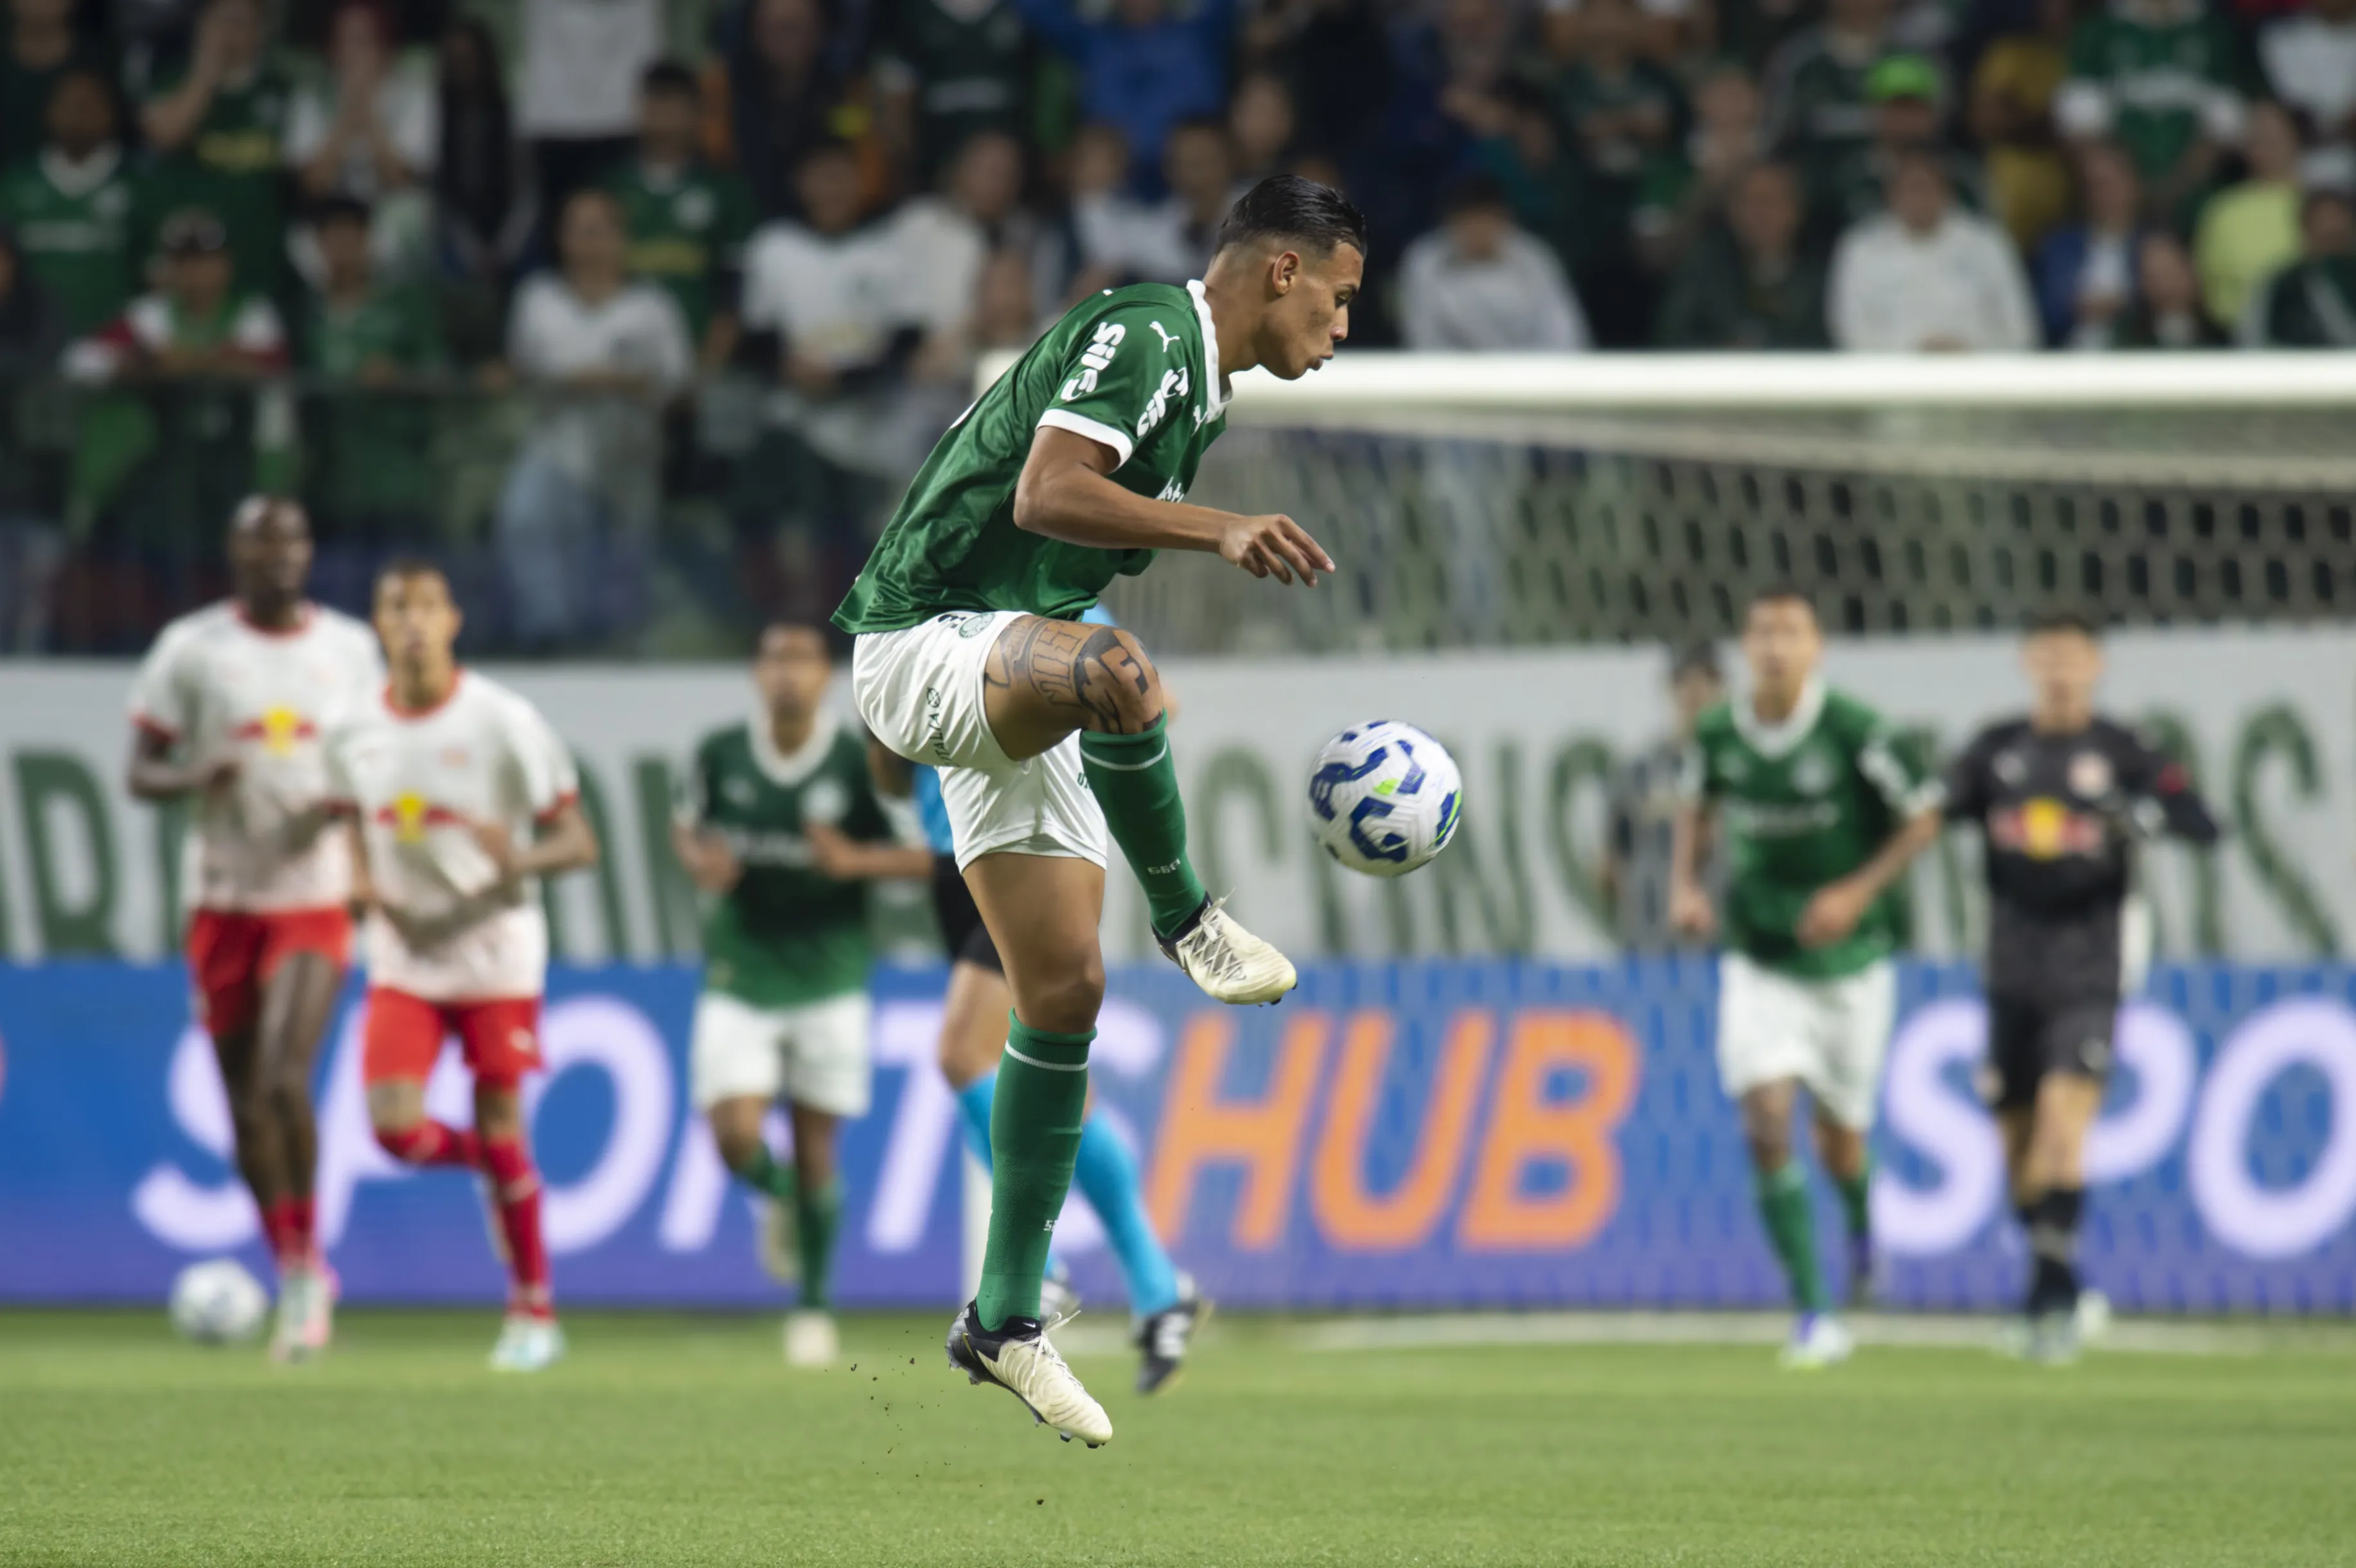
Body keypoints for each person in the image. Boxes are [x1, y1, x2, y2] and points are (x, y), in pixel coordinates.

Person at [834, 174, 1364, 1445]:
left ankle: (1003, 1318)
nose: (1342, 328)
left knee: (1063, 993)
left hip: (1005, 648)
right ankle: (1189, 917)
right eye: (1340, 298)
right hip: (924, 638)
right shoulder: (1149, 332)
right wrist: (1218, 530)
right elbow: (1044, 494)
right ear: (1281, 271)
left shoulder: (1202, 389)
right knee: (1122, 671)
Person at [869, 604, 1210, 1396]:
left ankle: (1038, 1270)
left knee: (962, 1054)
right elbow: (889, 771)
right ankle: (1159, 1287)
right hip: (954, 858)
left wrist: (1066, 757)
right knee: (1048, 1087)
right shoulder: (918, 610)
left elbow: (1151, 701)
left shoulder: (1058, 602)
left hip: (1033, 844)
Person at [123, 496, 383, 1362]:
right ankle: (293, 1257)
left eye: (292, 541)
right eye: (260, 542)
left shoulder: (349, 649)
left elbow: (380, 760)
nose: (278, 556)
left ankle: (307, 1274)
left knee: (282, 1076)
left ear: (309, 552)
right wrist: (195, 773)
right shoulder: (192, 649)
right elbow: (140, 770)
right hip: (223, 898)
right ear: (234, 553)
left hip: (312, 895)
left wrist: (359, 847)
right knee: (243, 1103)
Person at [328, 559, 599, 1373]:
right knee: (395, 1130)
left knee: (500, 1112)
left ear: (452, 621)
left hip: (493, 953)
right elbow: (348, 820)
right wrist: (361, 879)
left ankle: (533, 1312)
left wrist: (519, 859)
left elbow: (577, 841)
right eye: (396, 607)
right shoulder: (351, 730)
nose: (412, 621)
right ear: (378, 626)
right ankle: (499, 1165)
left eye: (426, 607)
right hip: (404, 954)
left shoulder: (501, 722)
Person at [1670, 584, 1943, 1368]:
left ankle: (1860, 1222)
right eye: (1761, 632)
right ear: (1744, 645)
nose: (1774, 647)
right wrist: (1684, 886)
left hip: (1850, 965)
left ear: (1815, 646)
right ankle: (1813, 1309)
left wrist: (1855, 893)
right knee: (1764, 1117)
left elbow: (1923, 815)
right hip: (1760, 956)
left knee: (1839, 1142)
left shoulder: (1856, 730)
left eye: (1790, 632)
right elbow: (1696, 805)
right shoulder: (1717, 731)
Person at [1941, 609, 2221, 1362]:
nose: (2061, 671)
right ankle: (2057, 1286)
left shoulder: (2125, 751)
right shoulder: (1995, 749)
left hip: (2089, 968)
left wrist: (2145, 815)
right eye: (2049, 657)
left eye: (2074, 658)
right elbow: (1931, 813)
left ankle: (2047, 1305)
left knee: (2063, 1130)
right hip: (2008, 966)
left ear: (2096, 666)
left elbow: (2202, 822)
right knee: (2015, 1144)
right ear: (2028, 662)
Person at [670, 623, 929, 1369]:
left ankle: (813, 1307)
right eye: (774, 659)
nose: (787, 673)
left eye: (802, 660)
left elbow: (925, 855)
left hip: (830, 973)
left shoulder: (855, 762)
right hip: (742, 969)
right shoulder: (720, 754)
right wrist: (700, 862)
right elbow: (685, 826)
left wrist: (853, 863)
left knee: (818, 1147)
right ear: (757, 673)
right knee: (734, 1138)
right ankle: (779, 1196)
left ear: (826, 676)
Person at [492, 186, 691, 649]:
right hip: (556, 443)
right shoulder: (538, 299)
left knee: (627, 554)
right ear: (562, 238)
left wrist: (625, 382)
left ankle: (624, 643)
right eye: (580, 230)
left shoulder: (652, 306)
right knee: (524, 518)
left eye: (600, 230)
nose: (590, 241)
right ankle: (549, 637)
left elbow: (681, 385)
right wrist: (575, 380)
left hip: (631, 450)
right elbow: (520, 370)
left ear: (621, 238)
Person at [300, 194, 444, 537]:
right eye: (333, 237)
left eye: (352, 237)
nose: (343, 249)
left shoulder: (405, 304)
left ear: (368, 241)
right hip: (327, 486)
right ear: (318, 244)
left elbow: (439, 374)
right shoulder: (303, 312)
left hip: (398, 480)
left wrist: (399, 376)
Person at [139, 0, 295, 299]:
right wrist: (206, 75)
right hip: (191, 253)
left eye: (242, 23)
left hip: (259, 254)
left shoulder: (280, 88)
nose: (230, 33)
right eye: (222, 21)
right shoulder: (172, 79)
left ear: (261, 31)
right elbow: (165, 136)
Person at [606, 60, 755, 370]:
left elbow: (736, 288)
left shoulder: (725, 191)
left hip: (701, 361)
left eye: (674, 104)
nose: (663, 116)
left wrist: (708, 364)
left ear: (697, 113)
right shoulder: (610, 188)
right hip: (618, 364)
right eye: (655, 102)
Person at [1827, 151, 2037, 351]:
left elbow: (2020, 329)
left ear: (1948, 192)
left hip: (1977, 368)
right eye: (1911, 189)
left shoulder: (1986, 243)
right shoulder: (1862, 248)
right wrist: (1912, 351)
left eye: (1927, 188)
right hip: (1890, 371)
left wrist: (1969, 349)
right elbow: (1849, 331)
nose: (1920, 199)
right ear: (1891, 195)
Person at [0, 66, 143, 336]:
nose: (78, 114)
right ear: (48, 112)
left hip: (112, 344)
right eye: (68, 104)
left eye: (89, 104)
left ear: (111, 112)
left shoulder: (138, 186)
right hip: (28, 344)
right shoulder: (14, 186)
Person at [1603, 643, 1724, 949]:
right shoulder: (1640, 771)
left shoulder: (1741, 766)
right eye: (1685, 681)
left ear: (1722, 688)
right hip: (1652, 938)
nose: (1695, 691)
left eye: (1706, 680)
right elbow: (1613, 857)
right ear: (1671, 689)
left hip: (1723, 935)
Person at [1399, 174, 1590, 351]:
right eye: (1468, 221)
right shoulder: (1424, 262)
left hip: (1531, 371)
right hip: (1452, 374)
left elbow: (1564, 330)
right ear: (1451, 221)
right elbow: (1422, 337)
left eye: (1484, 219)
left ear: (1503, 218)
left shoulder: (1534, 257)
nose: (1477, 230)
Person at [1654, 160, 1828, 349]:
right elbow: (1674, 336)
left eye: (1771, 201)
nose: (1761, 214)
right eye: (1749, 201)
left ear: (1797, 210)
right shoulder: (1704, 269)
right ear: (1731, 211)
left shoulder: (1825, 274)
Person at [2192, 102, 2304, 332]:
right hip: (2239, 335)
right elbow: (2208, 285)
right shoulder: (2222, 210)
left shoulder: (2322, 205)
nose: (2267, 147)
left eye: (2274, 137)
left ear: (2295, 139)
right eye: (2257, 139)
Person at [2031, 142, 2153, 348]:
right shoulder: (2058, 247)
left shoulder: (2154, 244)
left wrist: (2123, 306)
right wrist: (2074, 308)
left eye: (2109, 184)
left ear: (2133, 185)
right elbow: (2040, 311)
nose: (2102, 195)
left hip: (2136, 355)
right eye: (2094, 186)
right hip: (2070, 355)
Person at [2236, 184, 2356, 347]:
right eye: (2325, 237)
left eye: (2338, 237)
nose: (2330, 227)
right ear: (2305, 229)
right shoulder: (2280, 285)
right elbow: (2251, 338)